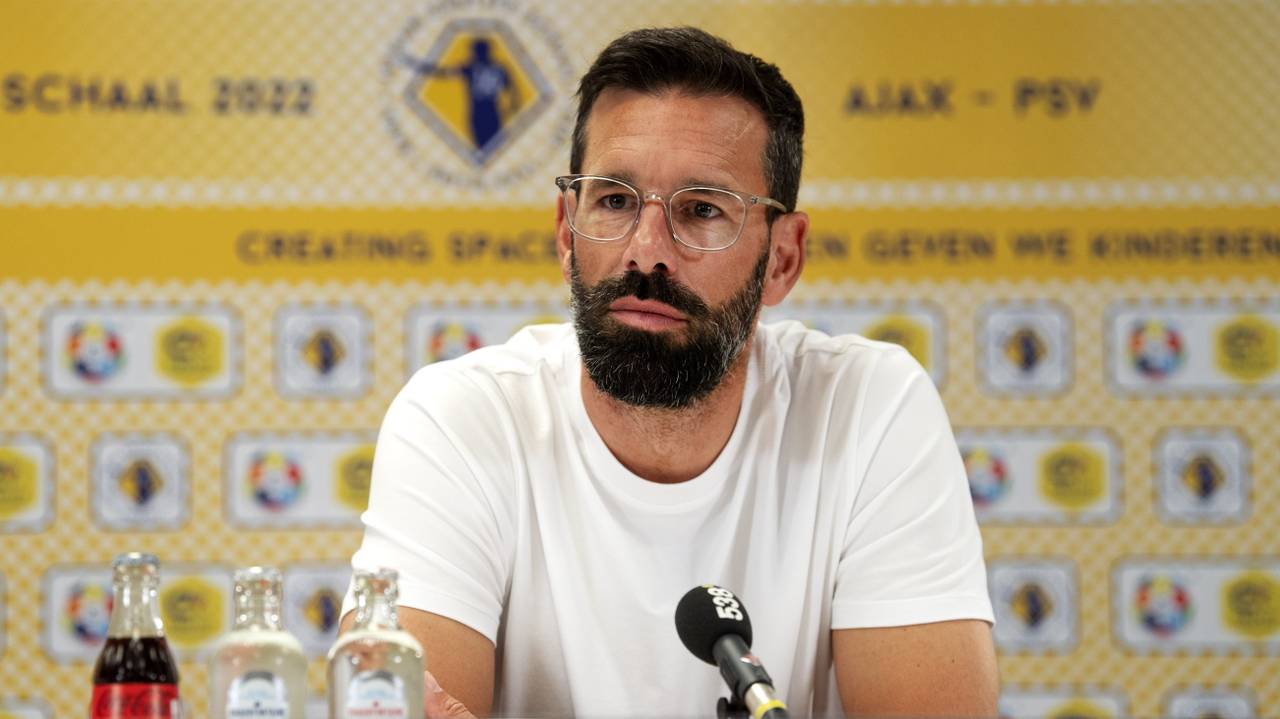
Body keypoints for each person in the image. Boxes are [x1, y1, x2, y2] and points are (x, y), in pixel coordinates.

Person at [342, 26, 998, 718]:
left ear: (782, 259)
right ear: (565, 233)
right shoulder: (459, 421)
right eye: (615, 201)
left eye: (703, 210)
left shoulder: (869, 410)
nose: (647, 251)